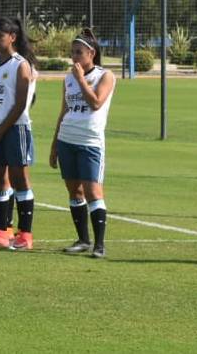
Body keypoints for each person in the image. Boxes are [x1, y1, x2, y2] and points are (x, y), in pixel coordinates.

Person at [50, 28, 115, 258]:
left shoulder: (104, 75)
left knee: (93, 192)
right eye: (72, 52)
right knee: (74, 191)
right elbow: (64, 111)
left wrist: (80, 79)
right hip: (67, 139)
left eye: (79, 52)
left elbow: (96, 103)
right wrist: (55, 145)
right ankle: (83, 239)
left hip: (90, 141)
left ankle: (99, 244)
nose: (74, 57)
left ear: (92, 53)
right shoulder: (68, 79)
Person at [0, 17, 38, 250]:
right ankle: (2, 232)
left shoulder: (20, 64)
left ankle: (25, 235)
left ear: (12, 37)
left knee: (20, 179)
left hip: (14, 128)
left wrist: (1, 131)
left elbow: (21, 103)